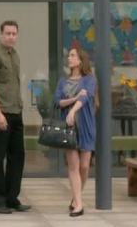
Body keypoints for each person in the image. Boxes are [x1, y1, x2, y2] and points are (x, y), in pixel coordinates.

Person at [0, 21, 30, 214]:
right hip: (0, 113)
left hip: (15, 111)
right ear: (1, 34)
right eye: (8, 33)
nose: (11, 37)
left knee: (17, 156)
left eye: (14, 33)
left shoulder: (15, 55)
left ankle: (12, 198)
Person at [53, 48, 97, 218]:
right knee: (73, 166)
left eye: (73, 56)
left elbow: (85, 97)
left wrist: (73, 110)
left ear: (80, 60)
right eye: (69, 56)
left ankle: (75, 198)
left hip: (85, 126)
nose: (69, 58)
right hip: (68, 128)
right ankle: (79, 204)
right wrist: (73, 99)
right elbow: (58, 101)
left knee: (84, 166)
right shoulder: (63, 81)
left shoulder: (89, 79)